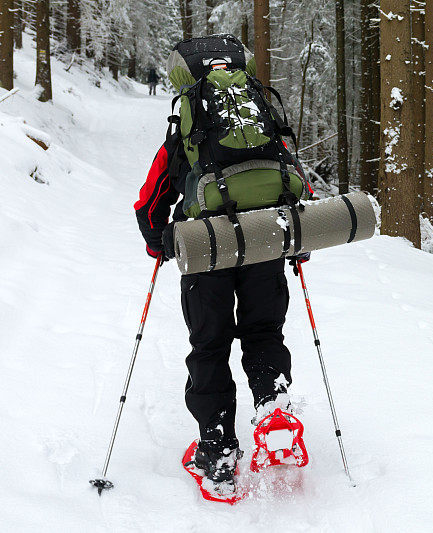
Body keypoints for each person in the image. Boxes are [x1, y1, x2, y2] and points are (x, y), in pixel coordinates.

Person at [134, 37, 311, 490]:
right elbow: (293, 182)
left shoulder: (187, 128)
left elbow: (151, 200)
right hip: (266, 241)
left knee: (210, 346)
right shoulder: (259, 113)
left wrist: (160, 243)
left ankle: (218, 456)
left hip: (208, 249)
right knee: (264, 333)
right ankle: (275, 423)